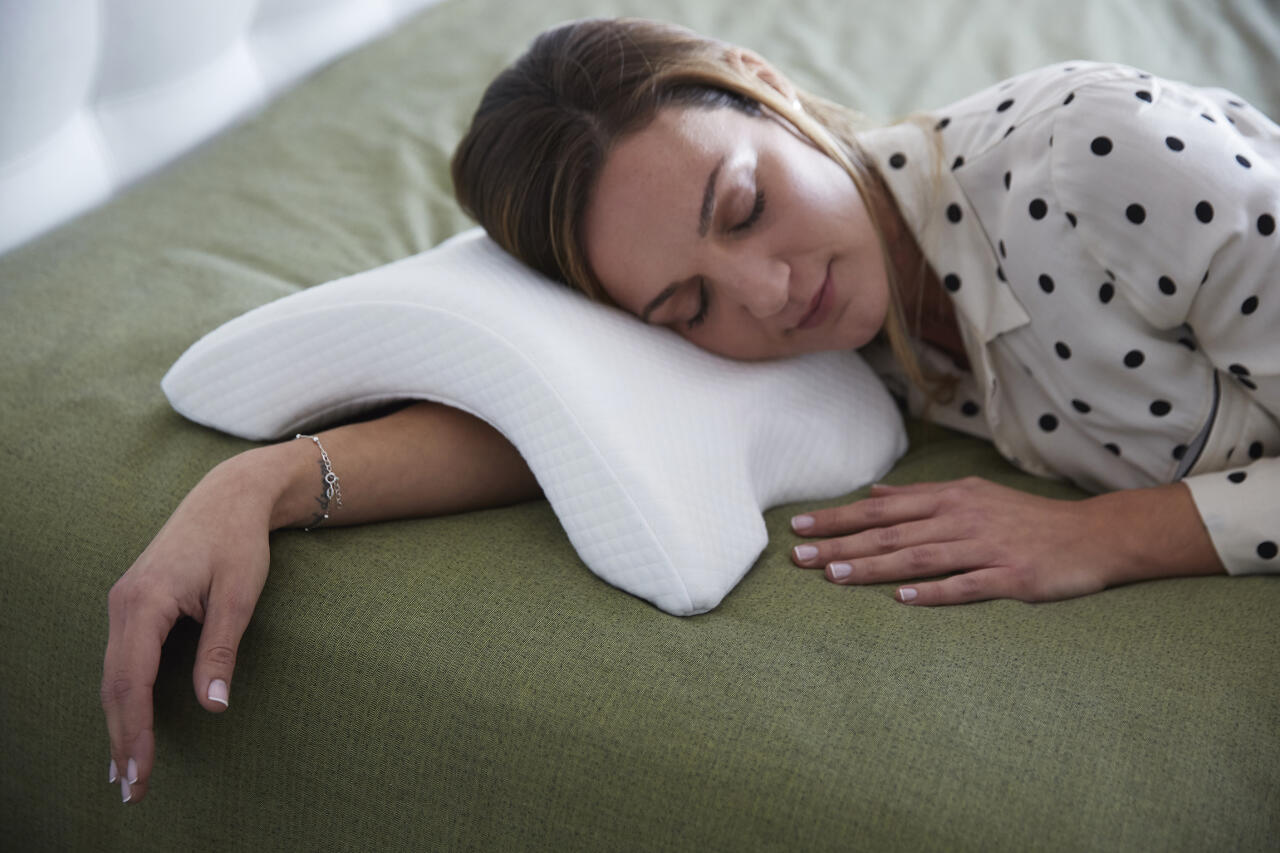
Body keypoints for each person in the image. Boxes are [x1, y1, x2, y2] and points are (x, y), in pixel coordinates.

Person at [101, 16, 1278, 804]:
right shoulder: (822, 325)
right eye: (685, 302)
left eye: (743, 202)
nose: (770, 292)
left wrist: (1108, 534)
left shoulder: (1097, 164)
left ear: (762, 88)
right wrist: (254, 484)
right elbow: (546, 414)